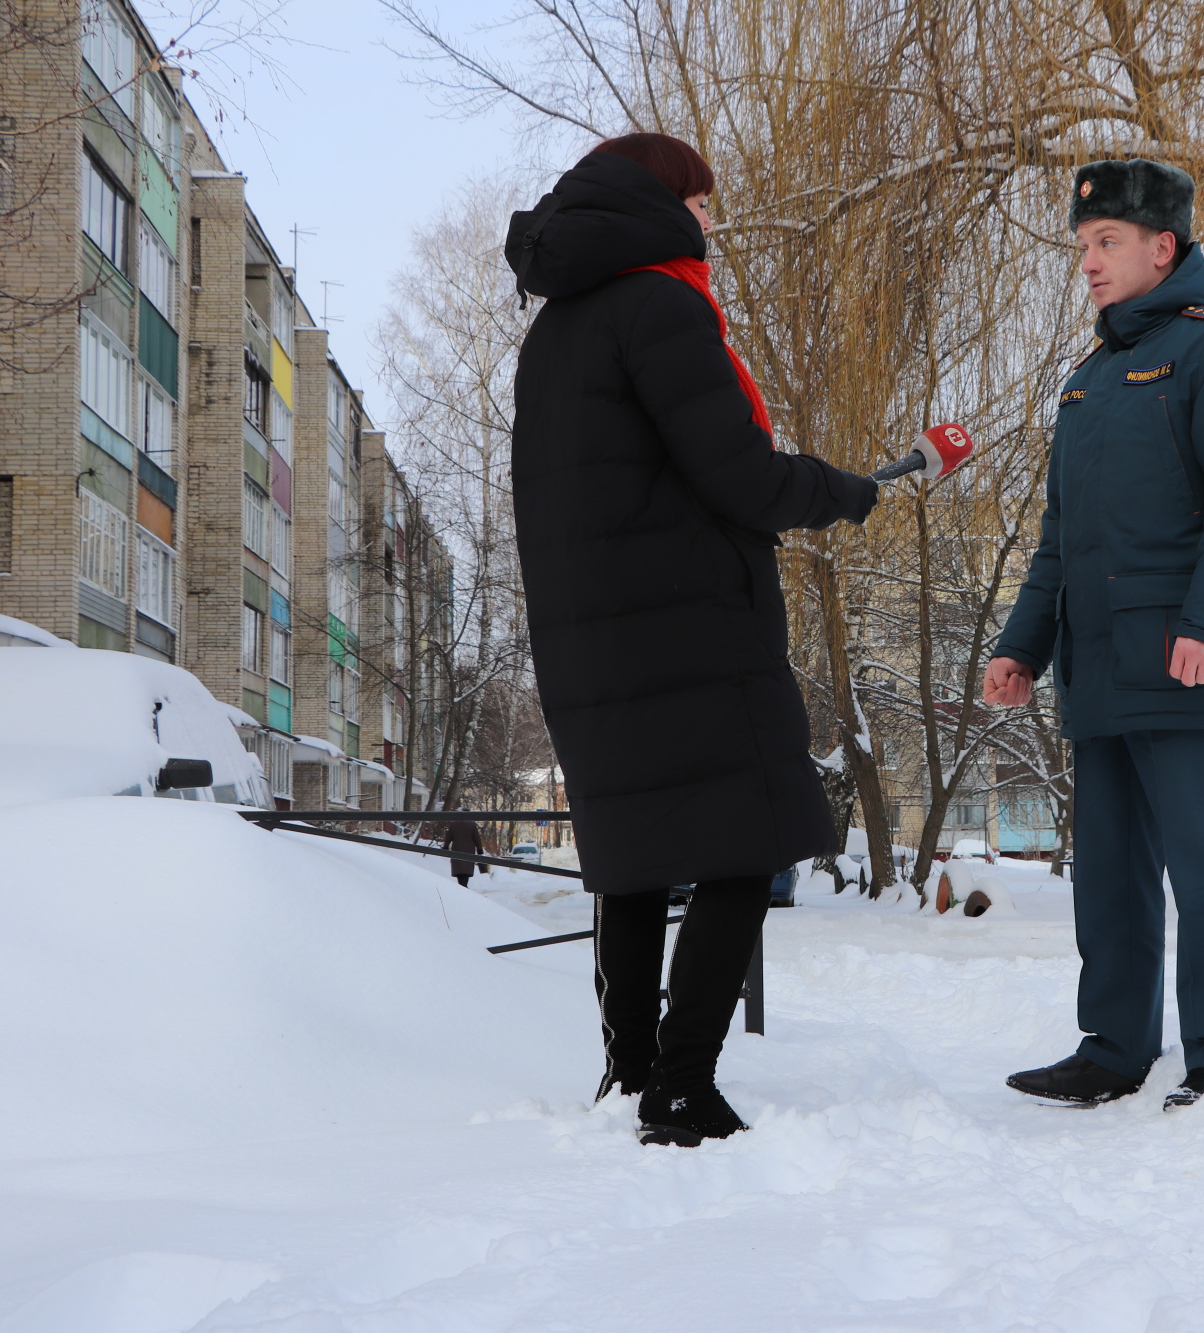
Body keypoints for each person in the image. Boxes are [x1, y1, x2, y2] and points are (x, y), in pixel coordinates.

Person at [504, 134, 879, 1146]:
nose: (712, 221)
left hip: (591, 638)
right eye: (704, 203)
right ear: (662, 201)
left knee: (630, 855)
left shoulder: (552, 331)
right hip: (688, 631)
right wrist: (841, 491)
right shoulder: (660, 307)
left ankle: (628, 1074)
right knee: (745, 842)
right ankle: (680, 1085)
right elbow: (740, 476)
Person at [984, 159, 1204, 1111]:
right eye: (1082, 246)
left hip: (1188, 660)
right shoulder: (1088, 380)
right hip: (1102, 666)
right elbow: (1061, 540)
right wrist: (1021, 645)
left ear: (1165, 246)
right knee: (1109, 873)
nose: (1089, 261)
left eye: (1106, 242)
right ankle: (1113, 1047)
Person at [443, 810, 484, 888]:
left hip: (456, 850)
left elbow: (448, 837)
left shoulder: (453, 824)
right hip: (469, 851)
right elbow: (477, 838)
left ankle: (461, 886)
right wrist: (479, 849)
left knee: (459, 871)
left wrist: (446, 846)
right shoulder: (472, 825)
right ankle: (464, 886)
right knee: (466, 871)